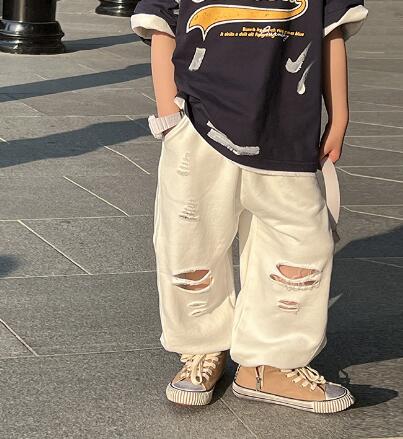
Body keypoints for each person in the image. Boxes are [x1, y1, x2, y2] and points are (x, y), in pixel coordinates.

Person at [130, 0, 368, 413]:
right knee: (190, 243)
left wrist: (340, 115)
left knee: (301, 244)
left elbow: (330, 29)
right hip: (198, 127)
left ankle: (269, 361)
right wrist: (170, 117)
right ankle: (202, 346)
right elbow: (163, 26)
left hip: (288, 128)